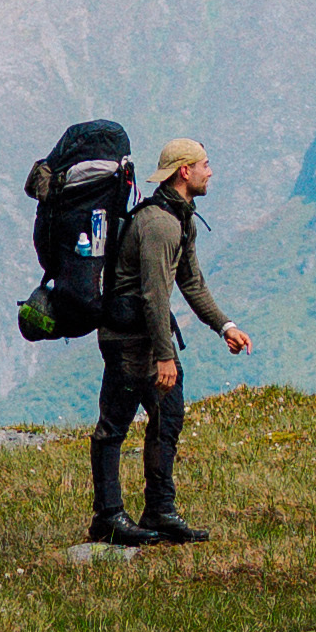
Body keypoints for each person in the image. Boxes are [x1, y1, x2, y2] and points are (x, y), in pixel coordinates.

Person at [91, 137, 248, 546]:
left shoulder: (182, 218)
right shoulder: (159, 224)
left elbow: (191, 282)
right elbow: (154, 295)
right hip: (127, 339)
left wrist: (224, 326)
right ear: (184, 171)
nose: (210, 172)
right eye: (205, 165)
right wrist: (165, 357)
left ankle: (159, 511)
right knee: (114, 425)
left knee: (168, 417)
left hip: (147, 336)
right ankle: (107, 517)